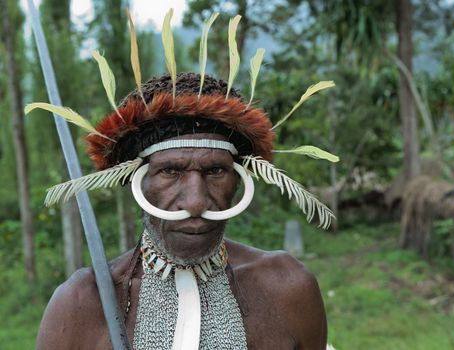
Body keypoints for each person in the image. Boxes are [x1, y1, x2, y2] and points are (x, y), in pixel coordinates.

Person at [30, 11, 336, 350]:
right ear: (137, 181)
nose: (195, 202)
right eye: (170, 171)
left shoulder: (289, 288)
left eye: (215, 171)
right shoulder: (78, 306)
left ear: (239, 180)